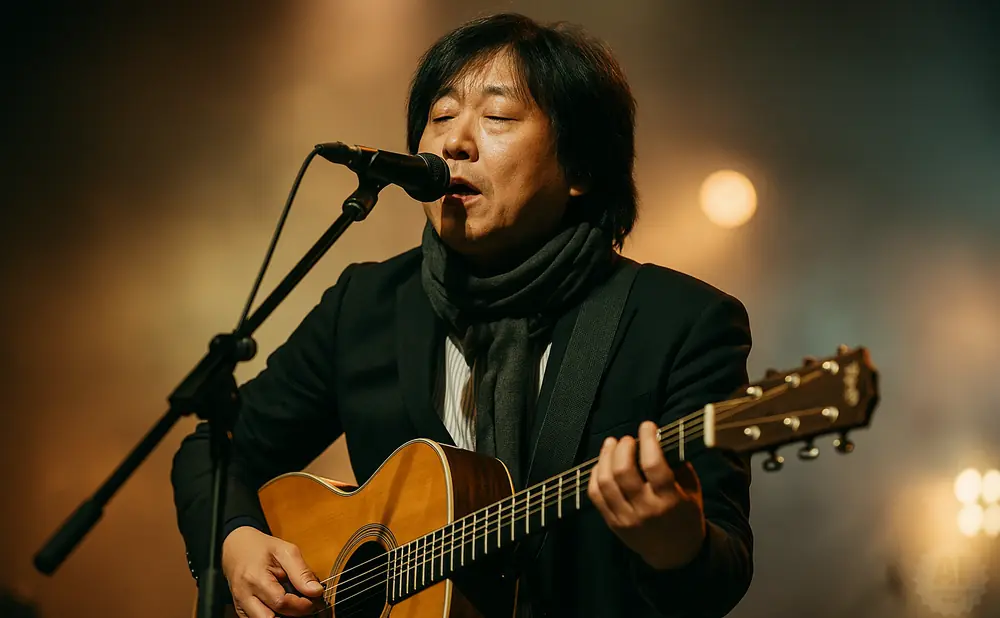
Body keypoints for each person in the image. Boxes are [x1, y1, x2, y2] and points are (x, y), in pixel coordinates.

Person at [171, 12, 753, 618]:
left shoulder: (681, 322)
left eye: (497, 117)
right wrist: (235, 543)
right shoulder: (366, 305)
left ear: (580, 167)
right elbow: (217, 449)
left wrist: (677, 546)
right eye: (441, 116)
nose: (453, 142)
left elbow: (723, 571)